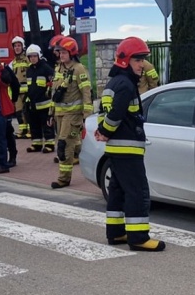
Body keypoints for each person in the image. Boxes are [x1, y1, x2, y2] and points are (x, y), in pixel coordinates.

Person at [93, 36, 164, 251]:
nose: (142, 64)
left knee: (118, 190)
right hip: (127, 147)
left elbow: (103, 112)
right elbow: (116, 114)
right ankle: (139, 237)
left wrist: (102, 131)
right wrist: (105, 130)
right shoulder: (125, 84)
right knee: (137, 191)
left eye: (142, 59)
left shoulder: (114, 82)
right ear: (125, 60)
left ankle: (116, 233)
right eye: (138, 59)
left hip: (116, 148)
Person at [50, 36, 91, 189]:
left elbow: (86, 92)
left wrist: (86, 115)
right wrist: (51, 112)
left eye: (64, 53)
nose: (61, 55)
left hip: (73, 115)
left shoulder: (79, 69)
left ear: (72, 53)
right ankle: (85, 154)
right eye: (60, 53)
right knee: (69, 144)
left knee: (64, 146)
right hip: (59, 114)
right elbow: (54, 91)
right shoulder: (59, 68)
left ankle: (63, 179)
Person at [22, 45, 55, 153]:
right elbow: (28, 86)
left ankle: (50, 144)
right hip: (33, 103)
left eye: (34, 56)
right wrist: (27, 98)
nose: (32, 58)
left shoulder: (46, 68)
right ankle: (36, 144)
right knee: (34, 124)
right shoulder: (29, 70)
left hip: (45, 103)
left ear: (39, 55)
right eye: (30, 56)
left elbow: (52, 83)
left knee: (46, 125)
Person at [9, 36, 32, 138]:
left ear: (23, 47)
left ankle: (31, 130)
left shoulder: (28, 60)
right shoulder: (13, 62)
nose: (17, 48)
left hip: (27, 90)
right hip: (17, 91)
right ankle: (22, 130)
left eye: (19, 46)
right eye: (15, 46)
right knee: (18, 112)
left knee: (28, 111)